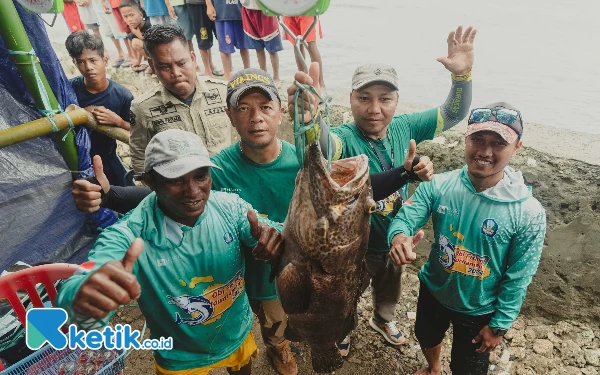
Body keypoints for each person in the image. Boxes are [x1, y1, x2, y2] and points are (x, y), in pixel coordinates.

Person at [71, 67, 433, 373]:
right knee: (263, 320)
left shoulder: (303, 164)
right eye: (243, 108)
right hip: (242, 278)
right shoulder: (219, 176)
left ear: (279, 112)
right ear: (229, 116)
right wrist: (109, 197)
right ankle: (280, 346)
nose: (256, 117)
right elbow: (165, 198)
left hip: (289, 276)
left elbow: (346, 186)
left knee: (279, 328)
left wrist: (403, 173)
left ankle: (284, 348)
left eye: (265, 107)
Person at [289, 25, 476, 353]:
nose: (375, 109)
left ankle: (383, 318)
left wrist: (462, 77)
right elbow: (320, 150)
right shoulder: (344, 137)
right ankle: (340, 325)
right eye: (364, 98)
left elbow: (453, 113)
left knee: (391, 286)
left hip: (397, 237)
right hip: (352, 248)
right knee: (344, 293)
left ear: (396, 100)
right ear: (350, 99)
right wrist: (312, 121)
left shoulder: (406, 126)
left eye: (385, 99)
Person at [57, 129, 284, 375]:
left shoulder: (230, 208)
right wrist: (82, 298)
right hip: (180, 355)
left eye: (201, 176)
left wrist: (275, 238)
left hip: (235, 333)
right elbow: (82, 283)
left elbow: (269, 231)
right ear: (150, 181)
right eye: (176, 179)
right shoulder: (130, 234)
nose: (193, 190)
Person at [387, 102, 546, 375]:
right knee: (426, 336)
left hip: (480, 307)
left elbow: (519, 276)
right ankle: (433, 367)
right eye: (478, 139)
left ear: (517, 147)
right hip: (434, 288)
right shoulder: (439, 185)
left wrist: (499, 325)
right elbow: (405, 217)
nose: (485, 151)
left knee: (468, 368)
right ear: (466, 138)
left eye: (498, 143)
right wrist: (399, 236)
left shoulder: (528, 212)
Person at [128, 24, 232, 174]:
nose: (176, 73)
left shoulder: (224, 92)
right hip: (182, 193)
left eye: (182, 63)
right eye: (165, 67)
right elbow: (139, 159)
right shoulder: (142, 108)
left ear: (193, 58)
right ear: (152, 66)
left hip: (226, 183)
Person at [66, 31, 133, 186]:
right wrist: (82, 113)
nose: (88, 67)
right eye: (81, 62)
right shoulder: (69, 89)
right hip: (75, 161)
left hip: (107, 157)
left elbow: (138, 131)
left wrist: (118, 121)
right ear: (74, 63)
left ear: (105, 60)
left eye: (93, 60)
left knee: (127, 197)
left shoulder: (122, 95)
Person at [241, 0, 283, 87]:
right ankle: (263, 75)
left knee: (272, 49)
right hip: (248, 8)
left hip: (266, 8)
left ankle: (276, 77)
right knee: (258, 47)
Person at [206, 0, 251, 80]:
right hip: (221, 12)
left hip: (240, 10)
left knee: (244, 45)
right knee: (224, 47)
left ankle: (248, 72)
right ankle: (227, 76)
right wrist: (209, 5)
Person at [282, 15, 325, 93]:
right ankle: (303, 80)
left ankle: (320, 84)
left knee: (310, 44)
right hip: (289, 9)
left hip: (307, 9)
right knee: (296, 43)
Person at [187, 0, 224, 77]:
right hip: (196, 4)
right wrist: (209, 4)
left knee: (220, 35)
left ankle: (211, 65)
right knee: (203, 36)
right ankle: (207, 70)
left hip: (213, 3)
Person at [92, 0, 132, 68]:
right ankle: (120, 53)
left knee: (120, 28)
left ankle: (131, 54)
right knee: (109, 30)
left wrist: (103, 2)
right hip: (97, 5)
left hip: (108, 3)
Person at [119, 1, 152, 72]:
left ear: (140, 14)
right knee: (131, 39)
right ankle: (151, 63)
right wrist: (138, 60)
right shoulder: (134, 30)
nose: (129, 19)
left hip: (161, 53)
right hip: (152, 53)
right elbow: (139, 48)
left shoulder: (149, 25)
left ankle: (155, 65)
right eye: (125, 17)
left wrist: (139, 35)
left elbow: (153, 44)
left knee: (135, 42)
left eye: (132, 15)